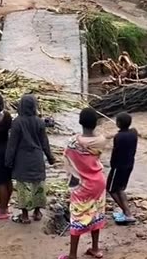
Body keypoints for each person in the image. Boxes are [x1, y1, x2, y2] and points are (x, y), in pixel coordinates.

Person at [60, 108, 107, 259]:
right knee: (96, 213)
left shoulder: (73, 143)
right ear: (96, 123)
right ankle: (95, 248)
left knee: (77, 217)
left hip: (82, 185)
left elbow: (67, 160)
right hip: (98, 183)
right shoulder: (101, 140)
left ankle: (72, 254)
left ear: (80, 122)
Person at [5, 94, 55, 224]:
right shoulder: (39, 122)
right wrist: (50, 157)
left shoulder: (17, 123)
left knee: (24, 188)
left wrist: (8, 161)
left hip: (22, 160)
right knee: (38, 185)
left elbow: (12, 145)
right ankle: (37, 212)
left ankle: (25, 215)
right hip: (37, 158)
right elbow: (45, 142)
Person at [107, 112, 138, 223]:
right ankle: (126, 212)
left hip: (118, 167)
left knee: (110, 189)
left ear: (118, 123)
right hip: (129, 165)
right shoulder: (134, 133)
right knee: (120, 188)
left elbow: (115, 153)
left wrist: (112, 165)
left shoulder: (118, 137)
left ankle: (127, 213)